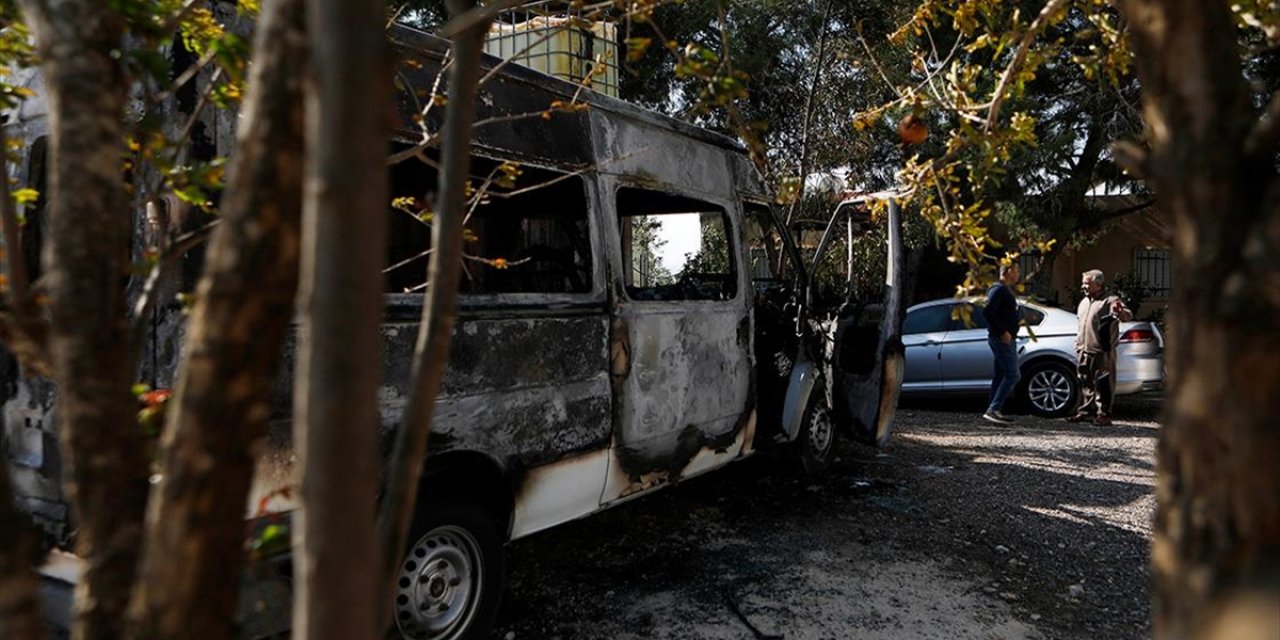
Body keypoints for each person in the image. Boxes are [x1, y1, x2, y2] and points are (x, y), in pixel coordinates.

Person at [1067, 269, 1132, 425]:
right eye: (1083, 283)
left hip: (1102, 351)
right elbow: (1081, 325)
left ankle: (1103, 414)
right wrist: (1078, 343)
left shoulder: (1110, 300)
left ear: (1098, 284)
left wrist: (1121, 312)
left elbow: (1127, 316)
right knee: (1085, 382)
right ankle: (1084, 411)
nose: (1083, 286)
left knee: (1103, 384)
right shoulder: (1084, 301)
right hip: (1084, 348)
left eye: (1087, 283)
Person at [981, 263, 1021, 424]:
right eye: (1016, 271)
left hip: (1007, 338)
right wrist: (1003, 331)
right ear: (1008, 271)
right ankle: (994, 409)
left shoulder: (1005, 290)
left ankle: (992, 410)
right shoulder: (998, 289)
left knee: (1000, 375)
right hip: (1001, 339)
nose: (1019, 274)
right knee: (1013, 374)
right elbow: (987, 311)